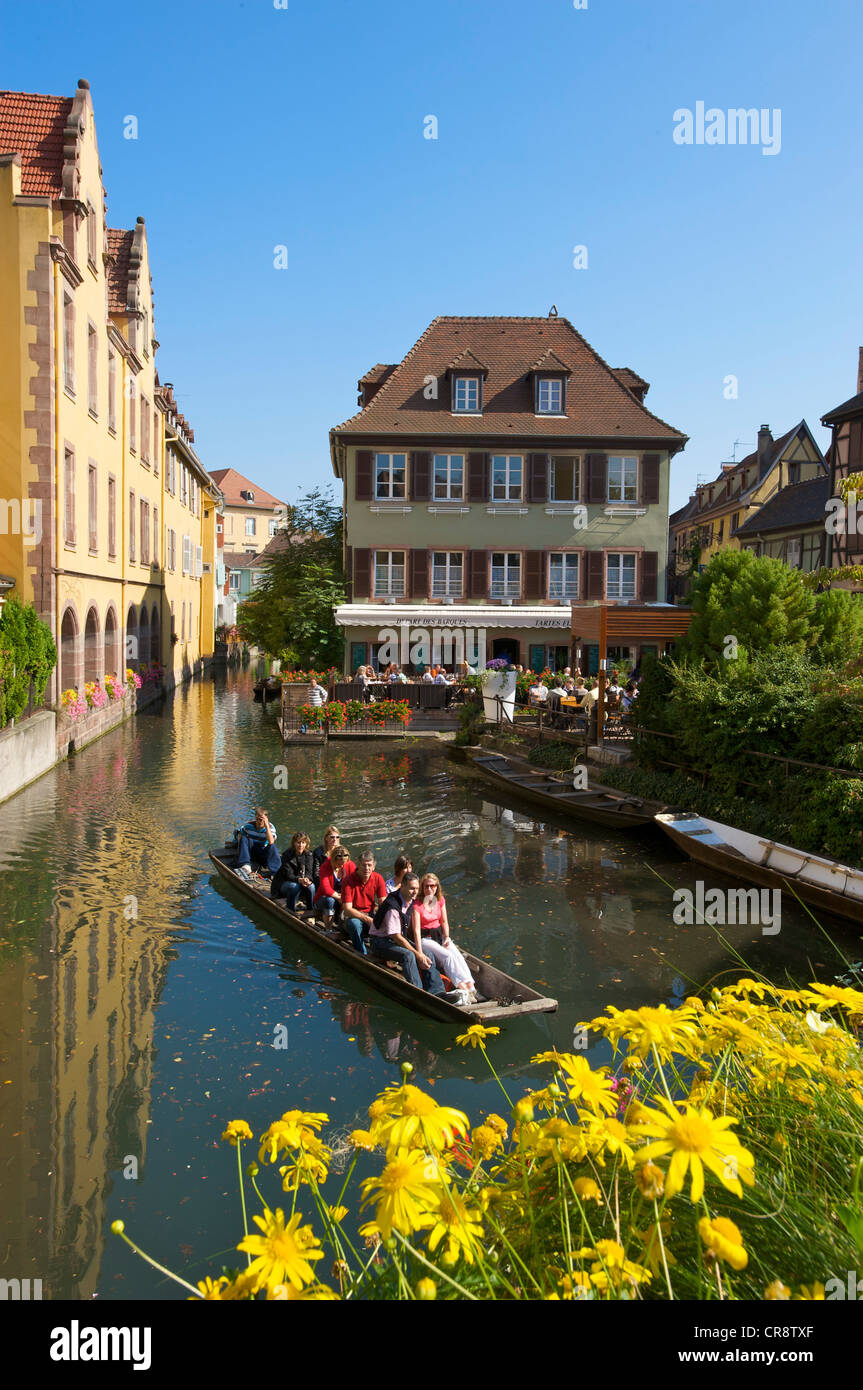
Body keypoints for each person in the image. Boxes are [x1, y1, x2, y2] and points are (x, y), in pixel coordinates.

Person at [368, 872, 445, 996]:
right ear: (402, 886)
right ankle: (418, 992)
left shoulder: (412, 902)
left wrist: (421, 953)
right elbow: (396, 936)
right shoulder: (392, 906)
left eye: (416, 889)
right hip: (380, 942)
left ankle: (437, 991)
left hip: (395, 940)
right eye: (411, 888)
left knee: (428, 953)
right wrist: (417, 954)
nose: (415, 892)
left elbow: (414, 929)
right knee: (408, 955)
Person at [412, 873, 476, 1004]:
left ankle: (471, 987)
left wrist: (447, 937)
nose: (429, 889)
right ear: (422, 888)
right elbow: (416, 931)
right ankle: (461, 987)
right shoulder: (417, 905)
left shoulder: (440, 900)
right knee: (447, 956)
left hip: (439, 936)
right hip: (426, 939)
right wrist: (419, 953)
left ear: (437, 887)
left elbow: (444, 922)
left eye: (432, 886)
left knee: (456, 953)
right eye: (426, 886)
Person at [342, 851, 388, 955]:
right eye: (364, 865)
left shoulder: (378, 878)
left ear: (373, 867)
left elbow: (383, 903)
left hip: (370, 914)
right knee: (355, 924)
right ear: (358, 865)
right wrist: (368, 920)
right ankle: (362, 954)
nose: (366, 868)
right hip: (352, 916)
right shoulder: (348, 881)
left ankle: (384, 954)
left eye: (369, 865)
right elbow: (347, 910)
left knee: (386, 922)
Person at [272, 831, 315, 910]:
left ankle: (310, 910)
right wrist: (299, 880)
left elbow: (309, 872)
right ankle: (290, 908)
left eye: (303, 843)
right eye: (298, 842)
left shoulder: (309, 855)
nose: (301, 845)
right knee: (294, 886)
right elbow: (288, 875)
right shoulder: (286, 855)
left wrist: (307, 879)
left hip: (301, 881)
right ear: (294, 843)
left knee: (311, 887)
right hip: (284, 884)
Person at [315, 844, 356, 924]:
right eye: (339, 864)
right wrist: (339, 898)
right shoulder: (325, 867)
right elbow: (325, 888)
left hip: (343, 896)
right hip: (325, 897)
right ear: (333, 860)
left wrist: (345, 897)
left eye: (343, 864)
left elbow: (355, 881)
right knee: (330, 901)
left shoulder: (349, 865)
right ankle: (328, 928)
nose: (342, 866)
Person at [236, 807, 280, 879]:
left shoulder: (270, 827)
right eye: (257, 819)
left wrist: (266, 826)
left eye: (261, 819)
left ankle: (275, 872)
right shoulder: (248, 826)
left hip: (262, 854)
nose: (259, 822)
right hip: (250, 854)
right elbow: (239, 837)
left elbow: (271, 841)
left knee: (273, 846)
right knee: (244, 838)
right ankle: (245, 865)